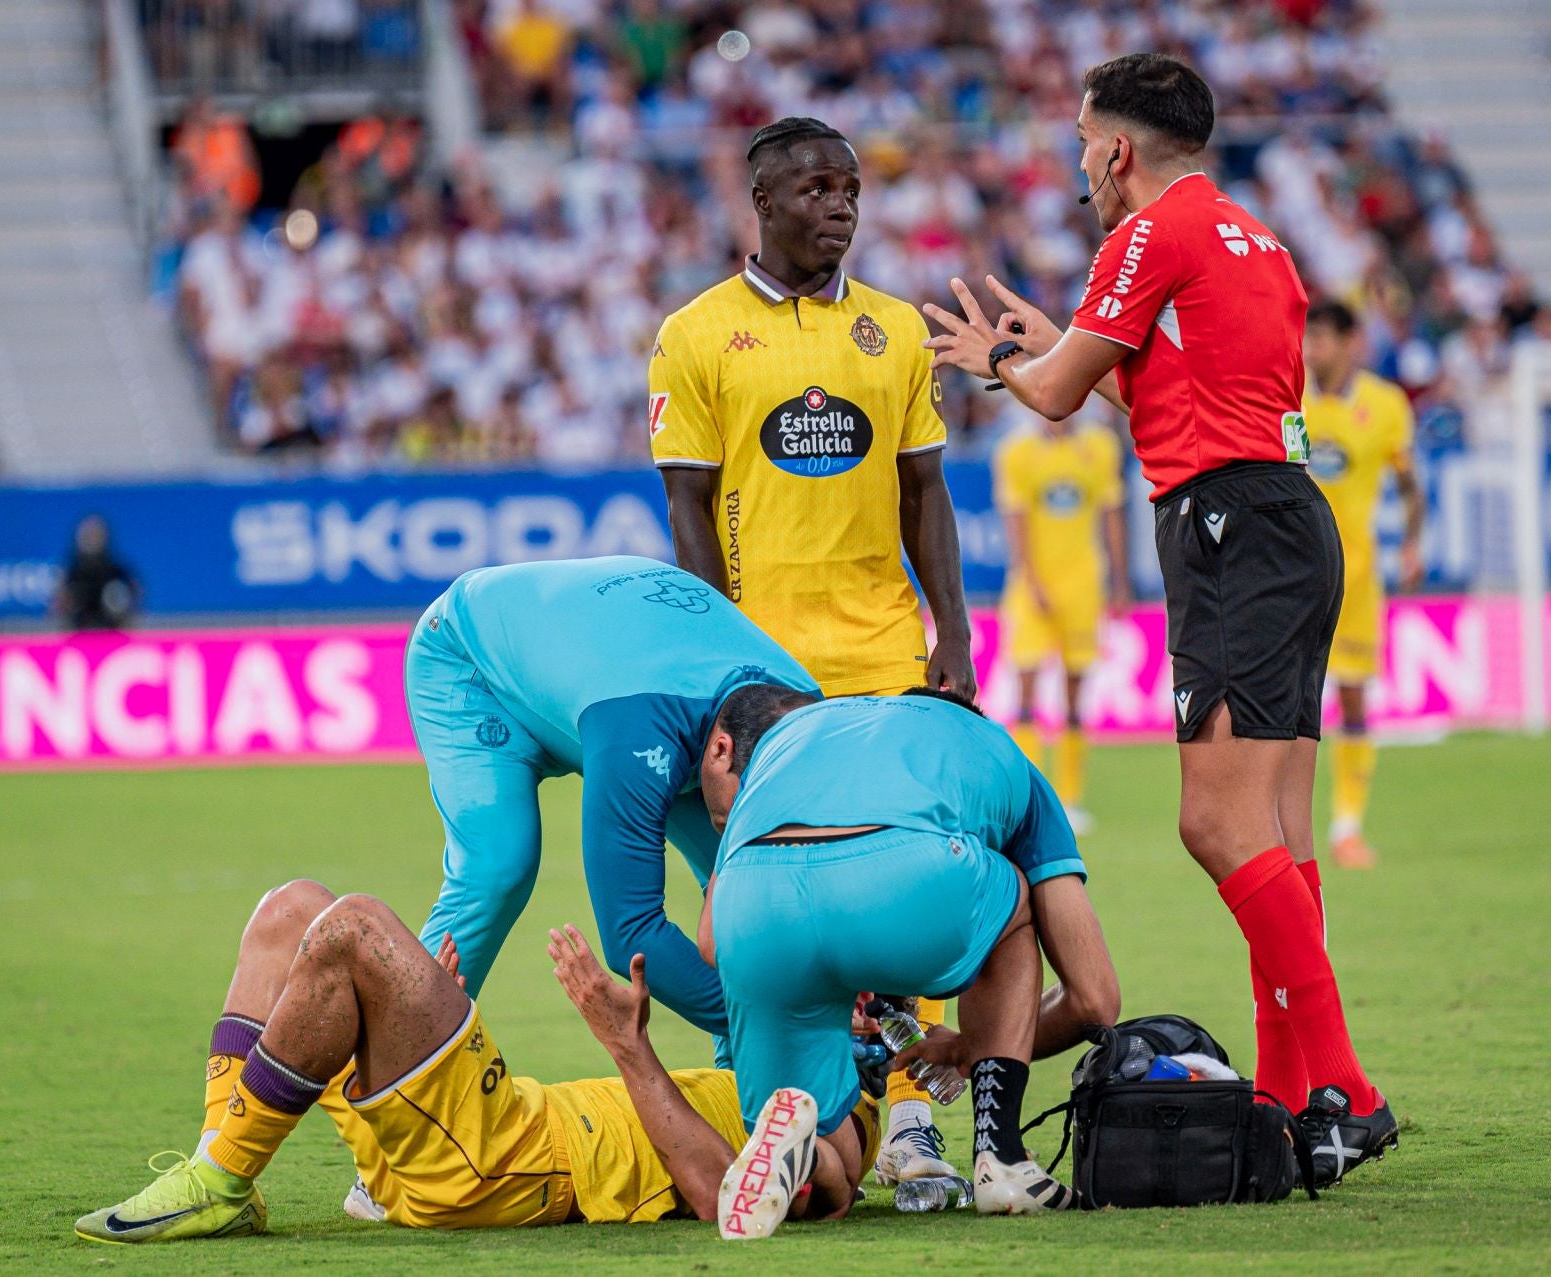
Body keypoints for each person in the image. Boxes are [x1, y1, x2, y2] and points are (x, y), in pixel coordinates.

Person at [920, 53, 1396, 1181]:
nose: (1082, 163)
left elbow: (1050, 397)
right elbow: (1165, 386)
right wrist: (1056, 346)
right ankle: (1288, 1094)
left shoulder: (1144, 235)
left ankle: (1348, 1086)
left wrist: (1003, 355)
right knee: (1276, 828)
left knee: (1216, 826)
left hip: (1227, 527)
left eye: (1085, 143)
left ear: (1118, 150)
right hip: (1289, 516)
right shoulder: (1252, 236)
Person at [650, 116, 977, 1184]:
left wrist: (954, 631)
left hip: (885, 654)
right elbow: (688, 504)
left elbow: (926, 489)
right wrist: (720, 660)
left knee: (903, 882)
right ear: (766, 204)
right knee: (770, 906)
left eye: (849, 188)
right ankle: (784, 1100)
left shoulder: (895, 329)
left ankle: (916, 1116)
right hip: (767, 677)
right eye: (817, 189)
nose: (841, 205)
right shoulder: (694, 334)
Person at [72, 880, 875, 1242]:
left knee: (356, 928)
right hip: (500, 1123)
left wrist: (628, 1045)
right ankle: (226, 1171)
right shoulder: (774, 1070)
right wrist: (412, 1021)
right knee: (292, 913)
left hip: (511, 1163)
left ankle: (218, 1180)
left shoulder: (842, 1118)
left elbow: (719, 1197)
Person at [699, 691, 1122, 1231]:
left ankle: (797, 1153)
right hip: (904, 886)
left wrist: (831, 980)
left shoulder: (789, 736)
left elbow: (711, 944)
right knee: (1013, 897)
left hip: (754, 908)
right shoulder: (998, 747)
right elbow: (1094, 999)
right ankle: (1002, 1159)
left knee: (832, 1182)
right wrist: (977, 1046)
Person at [403, 555, 816, 1023]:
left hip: (611, 675)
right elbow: (632, 933)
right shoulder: (640, 733)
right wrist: (792, 1022)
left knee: (744, 890)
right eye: (749, 807)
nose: (751, 825)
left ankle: (756, 1085)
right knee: (497, 867)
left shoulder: (805, 714)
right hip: (471, 665)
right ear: (720, 750)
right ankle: (402, 1057)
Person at [1301, 299, 1426, 869]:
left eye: (1322, 339)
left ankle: (1347, 826)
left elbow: (1408, 483)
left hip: (1355, 574)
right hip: (1291, 574)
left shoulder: (1385, 405)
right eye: (1308, 338)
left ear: (1350, 342)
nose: (1311, 349)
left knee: (1352, 700)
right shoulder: (1288, 395)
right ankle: (1286, 825)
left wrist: (1412, 543)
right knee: (1285, 705)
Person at [992, 410, 1131, 832]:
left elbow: (1112, 516)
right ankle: (1029, 801)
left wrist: (1119, 579)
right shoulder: (1017, 452)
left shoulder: (1099, 448)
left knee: (1075, 694)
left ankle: (1069, 799)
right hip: (1032, 589)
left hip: (1083, 587)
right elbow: (1015, 523)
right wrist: (1032, 582)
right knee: (1027, 693)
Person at [55, 515, 140, 631]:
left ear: (105, 538)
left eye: (96, 535)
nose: (92, 540)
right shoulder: (69, 574)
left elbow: (134, 607)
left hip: (113, 635)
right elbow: (57, 614)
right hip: (77, 637)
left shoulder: (118, 573)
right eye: (88, 536)